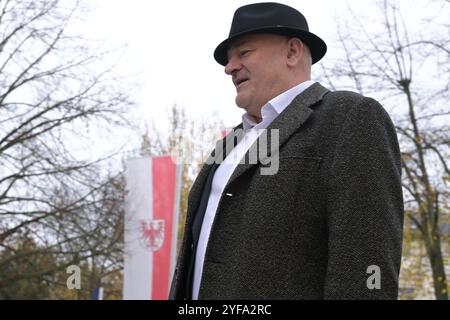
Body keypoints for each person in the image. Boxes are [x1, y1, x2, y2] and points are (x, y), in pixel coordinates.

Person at [169, 2, 404, 300]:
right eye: (229, 60)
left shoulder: (346, 117)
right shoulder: (230, 143)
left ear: (292, 52)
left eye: (244, 53)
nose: (229, 68)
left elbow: (367, 260)